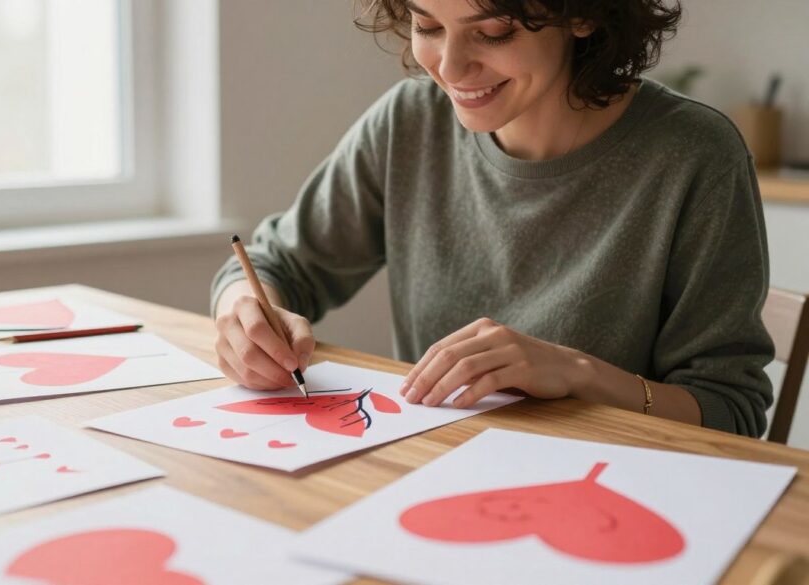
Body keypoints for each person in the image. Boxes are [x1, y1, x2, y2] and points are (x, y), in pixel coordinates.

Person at [210, 0, 775, 438]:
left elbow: (733, 413)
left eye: (493, 32)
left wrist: (578, 373)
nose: (450, 67)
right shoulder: (410, 122)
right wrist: (243, 314)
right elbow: (275, 264)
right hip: (425, 479)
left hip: (605, 509)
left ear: (580, 14)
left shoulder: (694, 155)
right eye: (427, 26)